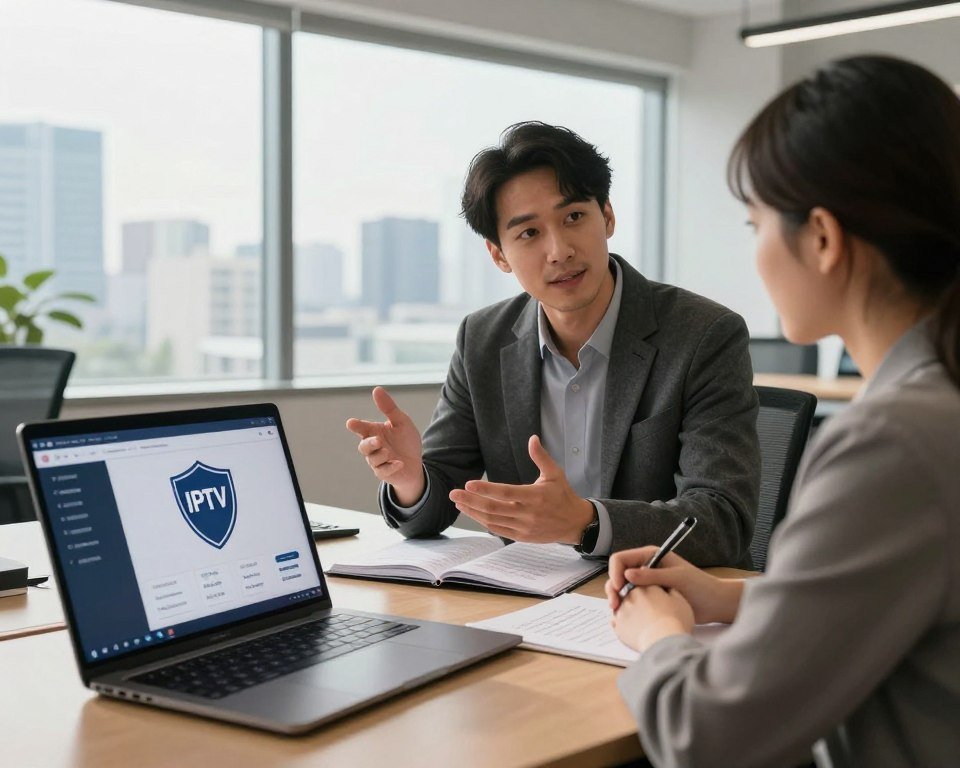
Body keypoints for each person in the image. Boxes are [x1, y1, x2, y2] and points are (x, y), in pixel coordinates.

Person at [607, 55, 960, 767]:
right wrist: (730, 600)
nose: (756, 252)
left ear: (822, 238)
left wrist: (658, 634)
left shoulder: (894, 441)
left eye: (755, 224)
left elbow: (706, 737)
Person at [346, 122, 760, 566]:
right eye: (529, 233)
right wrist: (411, 480)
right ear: (498, 255)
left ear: (607, 217)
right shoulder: (481, 339)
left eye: (574, 217)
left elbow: (722, 521)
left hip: (656, 591)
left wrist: (585, 522)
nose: (559, 250)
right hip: (530, 594)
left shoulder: (703, 334)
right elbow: (440, 501)